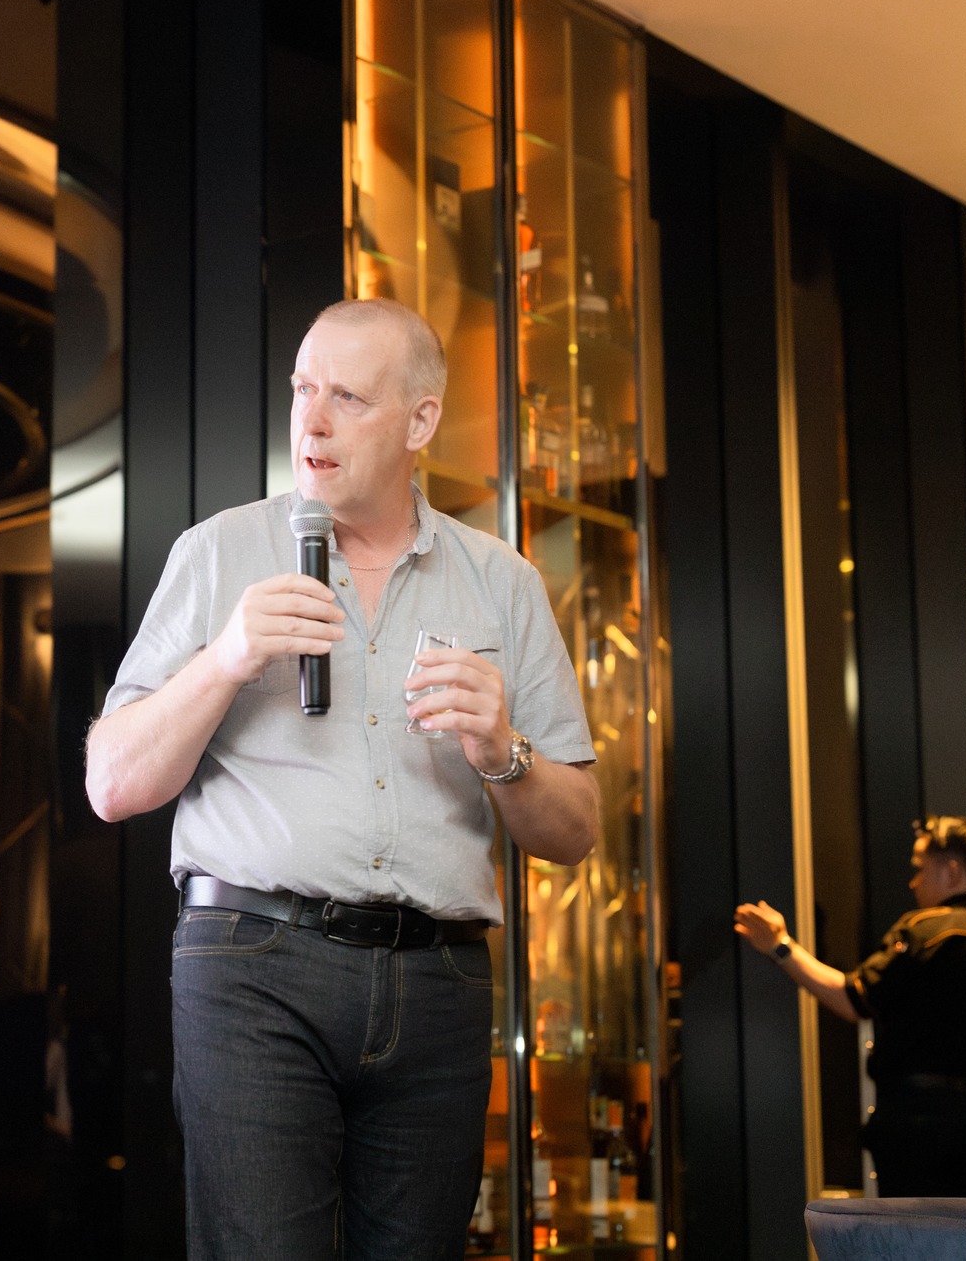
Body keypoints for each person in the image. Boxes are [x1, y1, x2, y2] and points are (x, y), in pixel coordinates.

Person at [85, 297, 599, 1261]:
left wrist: (502, 748)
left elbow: (574, 831)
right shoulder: (218, 553)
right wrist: (226, 658)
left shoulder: (503, 582)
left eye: (348, 398)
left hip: (439, 979)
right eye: (302, 390)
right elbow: (111, 782)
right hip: (255, 966)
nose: (311, 421)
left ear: (420, 421)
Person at [734, 817, 966, 1198]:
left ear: (952, 872)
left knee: (913, 1229)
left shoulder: (925, 930)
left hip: (920, 1122)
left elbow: (853, 998)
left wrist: (781, 947)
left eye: (920, 869)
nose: (913, 882)